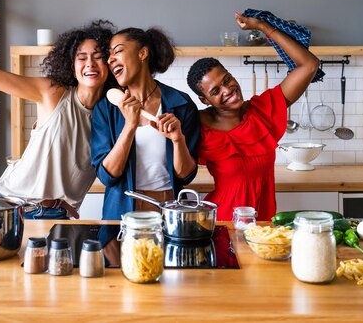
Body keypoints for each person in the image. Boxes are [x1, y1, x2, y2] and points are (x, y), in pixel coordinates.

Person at [0, 0, 114, 219]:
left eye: (98, 57)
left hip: (54, 213)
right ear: (71, 63)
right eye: (81, 57)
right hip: (13, 206)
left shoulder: (110, 114)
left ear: (110, 63)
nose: (90, 64)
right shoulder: (53, 93)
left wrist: (57, 205)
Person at [186, 12, 320, 221]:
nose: (228, 89)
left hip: (263, 225)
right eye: (215, 91)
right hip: (224, 225)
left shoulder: (261, 110)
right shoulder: (196, 123)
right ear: (205, 100)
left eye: (227, 79)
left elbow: (309, 65)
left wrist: (263, 27)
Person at [90, 27, 200, 247]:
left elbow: (185, 176)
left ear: (142, 53)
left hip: (170, 210)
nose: (110, 59)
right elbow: (107, 175)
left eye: (118, 51)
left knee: (171, 277)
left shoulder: (181, 104)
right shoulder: (106, 109)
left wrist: (178, 141)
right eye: (109, 55)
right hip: (122, 211)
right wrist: (129, 125)